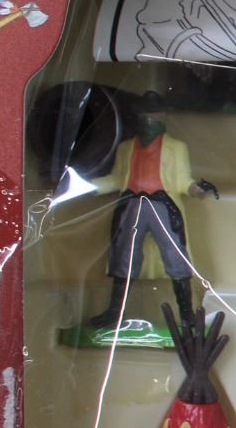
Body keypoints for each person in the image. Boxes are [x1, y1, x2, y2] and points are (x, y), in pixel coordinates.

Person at [83, 92, 217, 329]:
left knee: (175, 256)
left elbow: (183, 180)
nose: (149, 118)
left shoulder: (176, 148)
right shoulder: (126, 148)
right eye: (145, 113)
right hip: (132, 204)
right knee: (124, 257)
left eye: (153, 113)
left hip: (162, 204)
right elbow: (116, 179)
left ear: (162, 115)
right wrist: (83, 186)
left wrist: (197, 189)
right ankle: (114, 313)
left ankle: (186, 316)